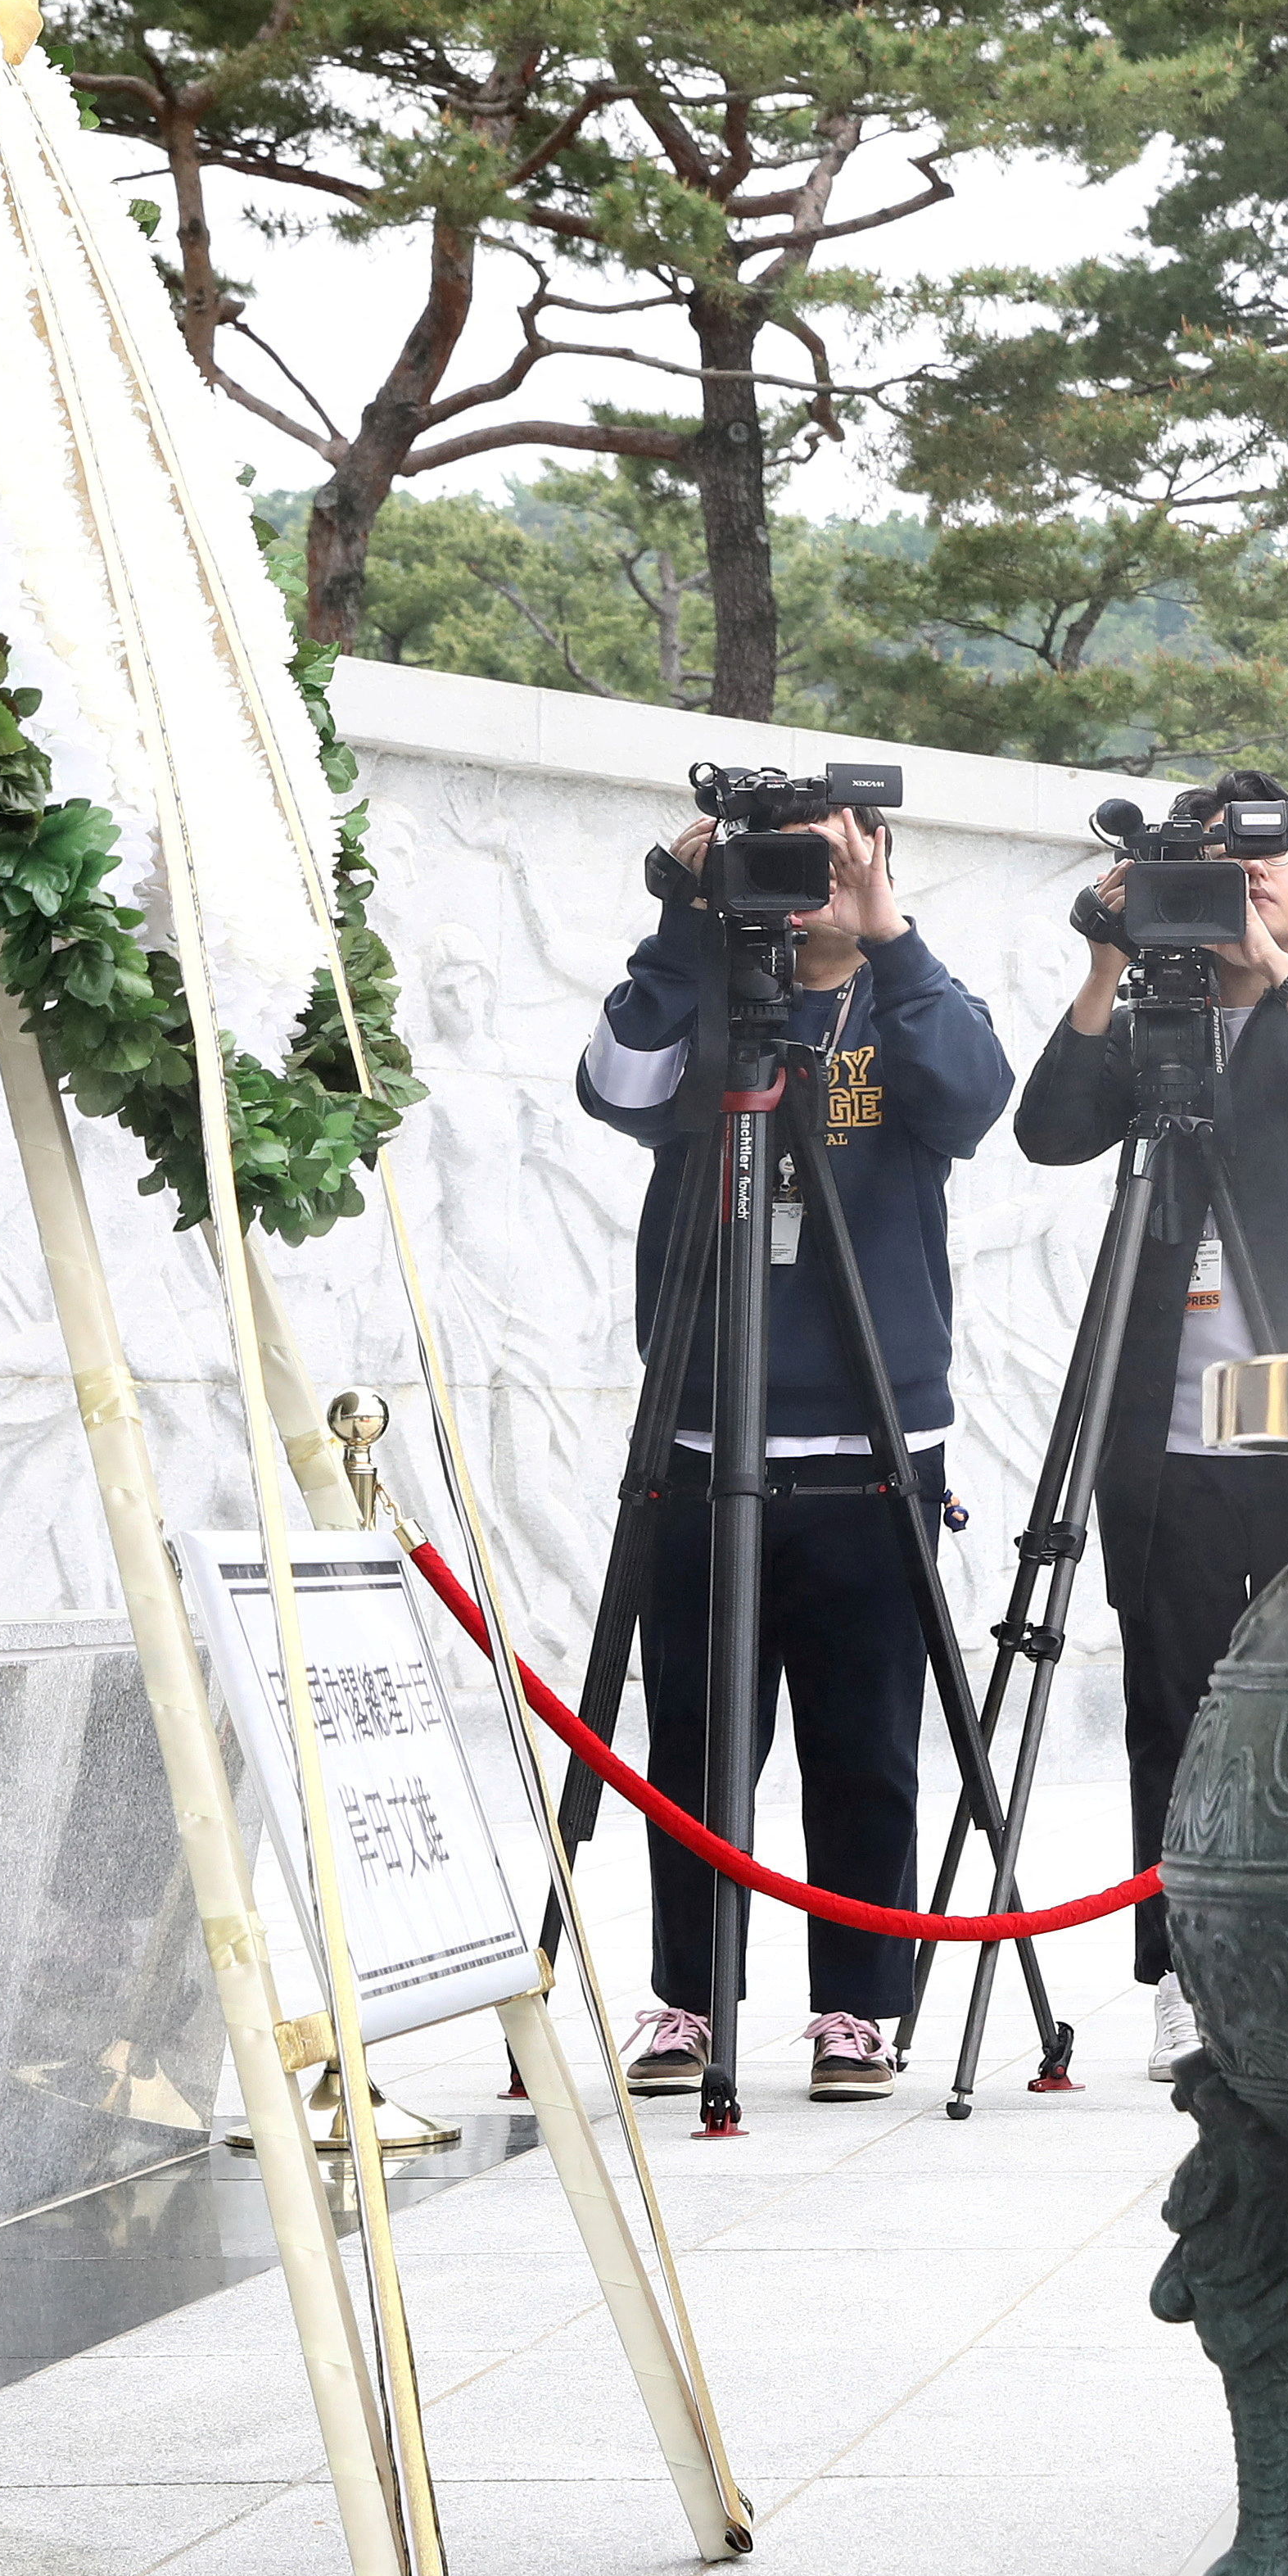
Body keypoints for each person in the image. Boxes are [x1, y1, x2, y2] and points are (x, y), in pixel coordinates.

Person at [576, 802, 1013, 2103]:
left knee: (866, 1739)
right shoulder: (705, 991)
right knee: (698, 1742)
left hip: (879, 1437)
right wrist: (682, 917)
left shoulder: (911, 1000)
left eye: (832, 859)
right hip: (707, 1428)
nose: (806, 886)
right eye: (787, 861)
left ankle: (859, 2006)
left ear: (875, 863)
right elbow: (615, 1084)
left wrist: (890, 936)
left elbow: (975, 1100)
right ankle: (688, 1997)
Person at [1011, 774, 1288, 2079]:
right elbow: (1047, 1131)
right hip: (1175, 1432)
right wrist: (1105, 964)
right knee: (1173, 1705)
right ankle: (1182, 1974)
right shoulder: (1151, 1015)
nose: (1245, 876)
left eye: (1269, 855)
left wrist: (1271, 967)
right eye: (1217, 861)